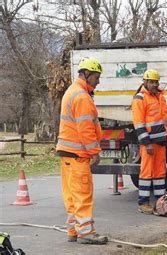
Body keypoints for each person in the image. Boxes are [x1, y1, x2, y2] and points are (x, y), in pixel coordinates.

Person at [56, 57, 107, 245]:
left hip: (67, 153)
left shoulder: (72, 92)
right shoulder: (82, 97)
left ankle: (73, 230)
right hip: (78, 155)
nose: (98, 81)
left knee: (71, 195)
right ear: (86, 75)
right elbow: (85, 129)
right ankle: (86, 233)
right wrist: (94, 152)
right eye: (96, 77)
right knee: (83, 194)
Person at [132, 69, 167, 214]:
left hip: (160, 142)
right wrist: (146, 143)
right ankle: (143, 203)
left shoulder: (160, 96)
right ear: (145, 82)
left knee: (160, 173)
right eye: (151, 82)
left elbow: (165, 120)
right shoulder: (140, 98)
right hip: (149, 143)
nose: (154, 84)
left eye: (156, 82)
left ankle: (160, 202)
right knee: (146, 173)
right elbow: (139, 123)